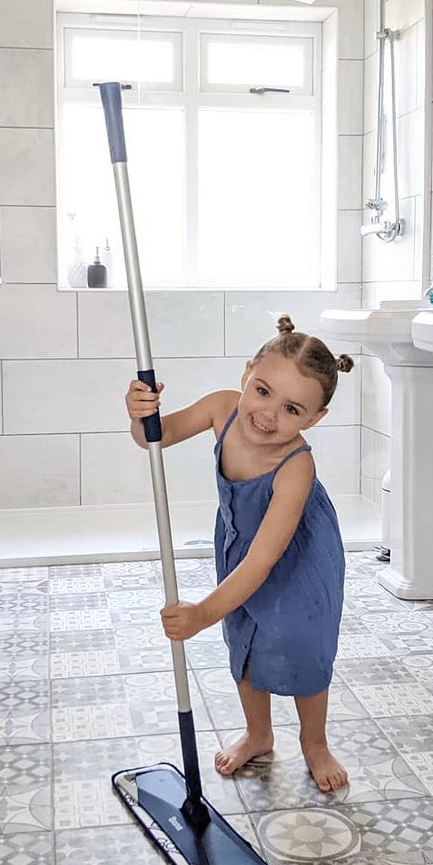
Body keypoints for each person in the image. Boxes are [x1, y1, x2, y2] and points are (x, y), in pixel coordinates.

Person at [124, 315, 354, 793]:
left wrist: (202, 613)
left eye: (292, 409)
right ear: (246, 373)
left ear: (315, 419)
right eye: (263, 390)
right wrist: (139, 413)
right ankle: (258, 732)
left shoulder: (296, 466)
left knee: (302, 645)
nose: (269, 415)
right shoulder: (221, 409)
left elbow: (265, 560)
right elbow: (154, 436)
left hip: (297, 559)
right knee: (245, 637)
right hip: (240, 543)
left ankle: (315, 741)